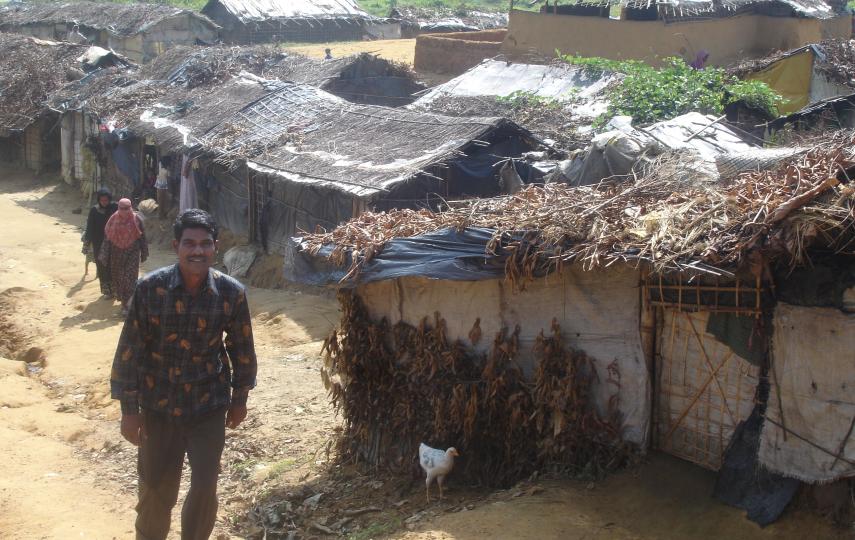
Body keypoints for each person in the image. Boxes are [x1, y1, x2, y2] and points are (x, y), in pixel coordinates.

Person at [111, 209, 257, 540]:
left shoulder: (231, 293)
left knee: (205, 488)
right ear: (176, 246)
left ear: (215, 248)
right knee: (156, 492)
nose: (197, 251)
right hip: (158, 406)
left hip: (208, 406)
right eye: (189, 243)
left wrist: (240, 399)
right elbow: (129, 352)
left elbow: (242, 349)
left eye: (205, 244)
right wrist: (128, 411)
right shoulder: (150, 289)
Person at [99, 198, 149, 315]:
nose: (125, 211)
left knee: (130, 279)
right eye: (122, 209)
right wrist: (104, 255)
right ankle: (124, 304)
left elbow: (143, 237)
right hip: (117, 256)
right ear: (118, 208)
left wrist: (144, 252)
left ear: (131, 207)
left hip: (132, 254)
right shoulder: (113, 219)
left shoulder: (137, 219)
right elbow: (108, 238)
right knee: (119, 279)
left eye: (127, 209)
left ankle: (129, 305)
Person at [82, 188, 118, 298]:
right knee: (102, 267)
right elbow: (90, 228)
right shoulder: (94, 210)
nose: (104, 203)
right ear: (98, 200)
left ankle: (115, 290)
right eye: (102, 201)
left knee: (113, 266)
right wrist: (86, 243)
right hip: (99, 242)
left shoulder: (115, 208)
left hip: (113, 242)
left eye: (106, 200)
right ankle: (107, 291)